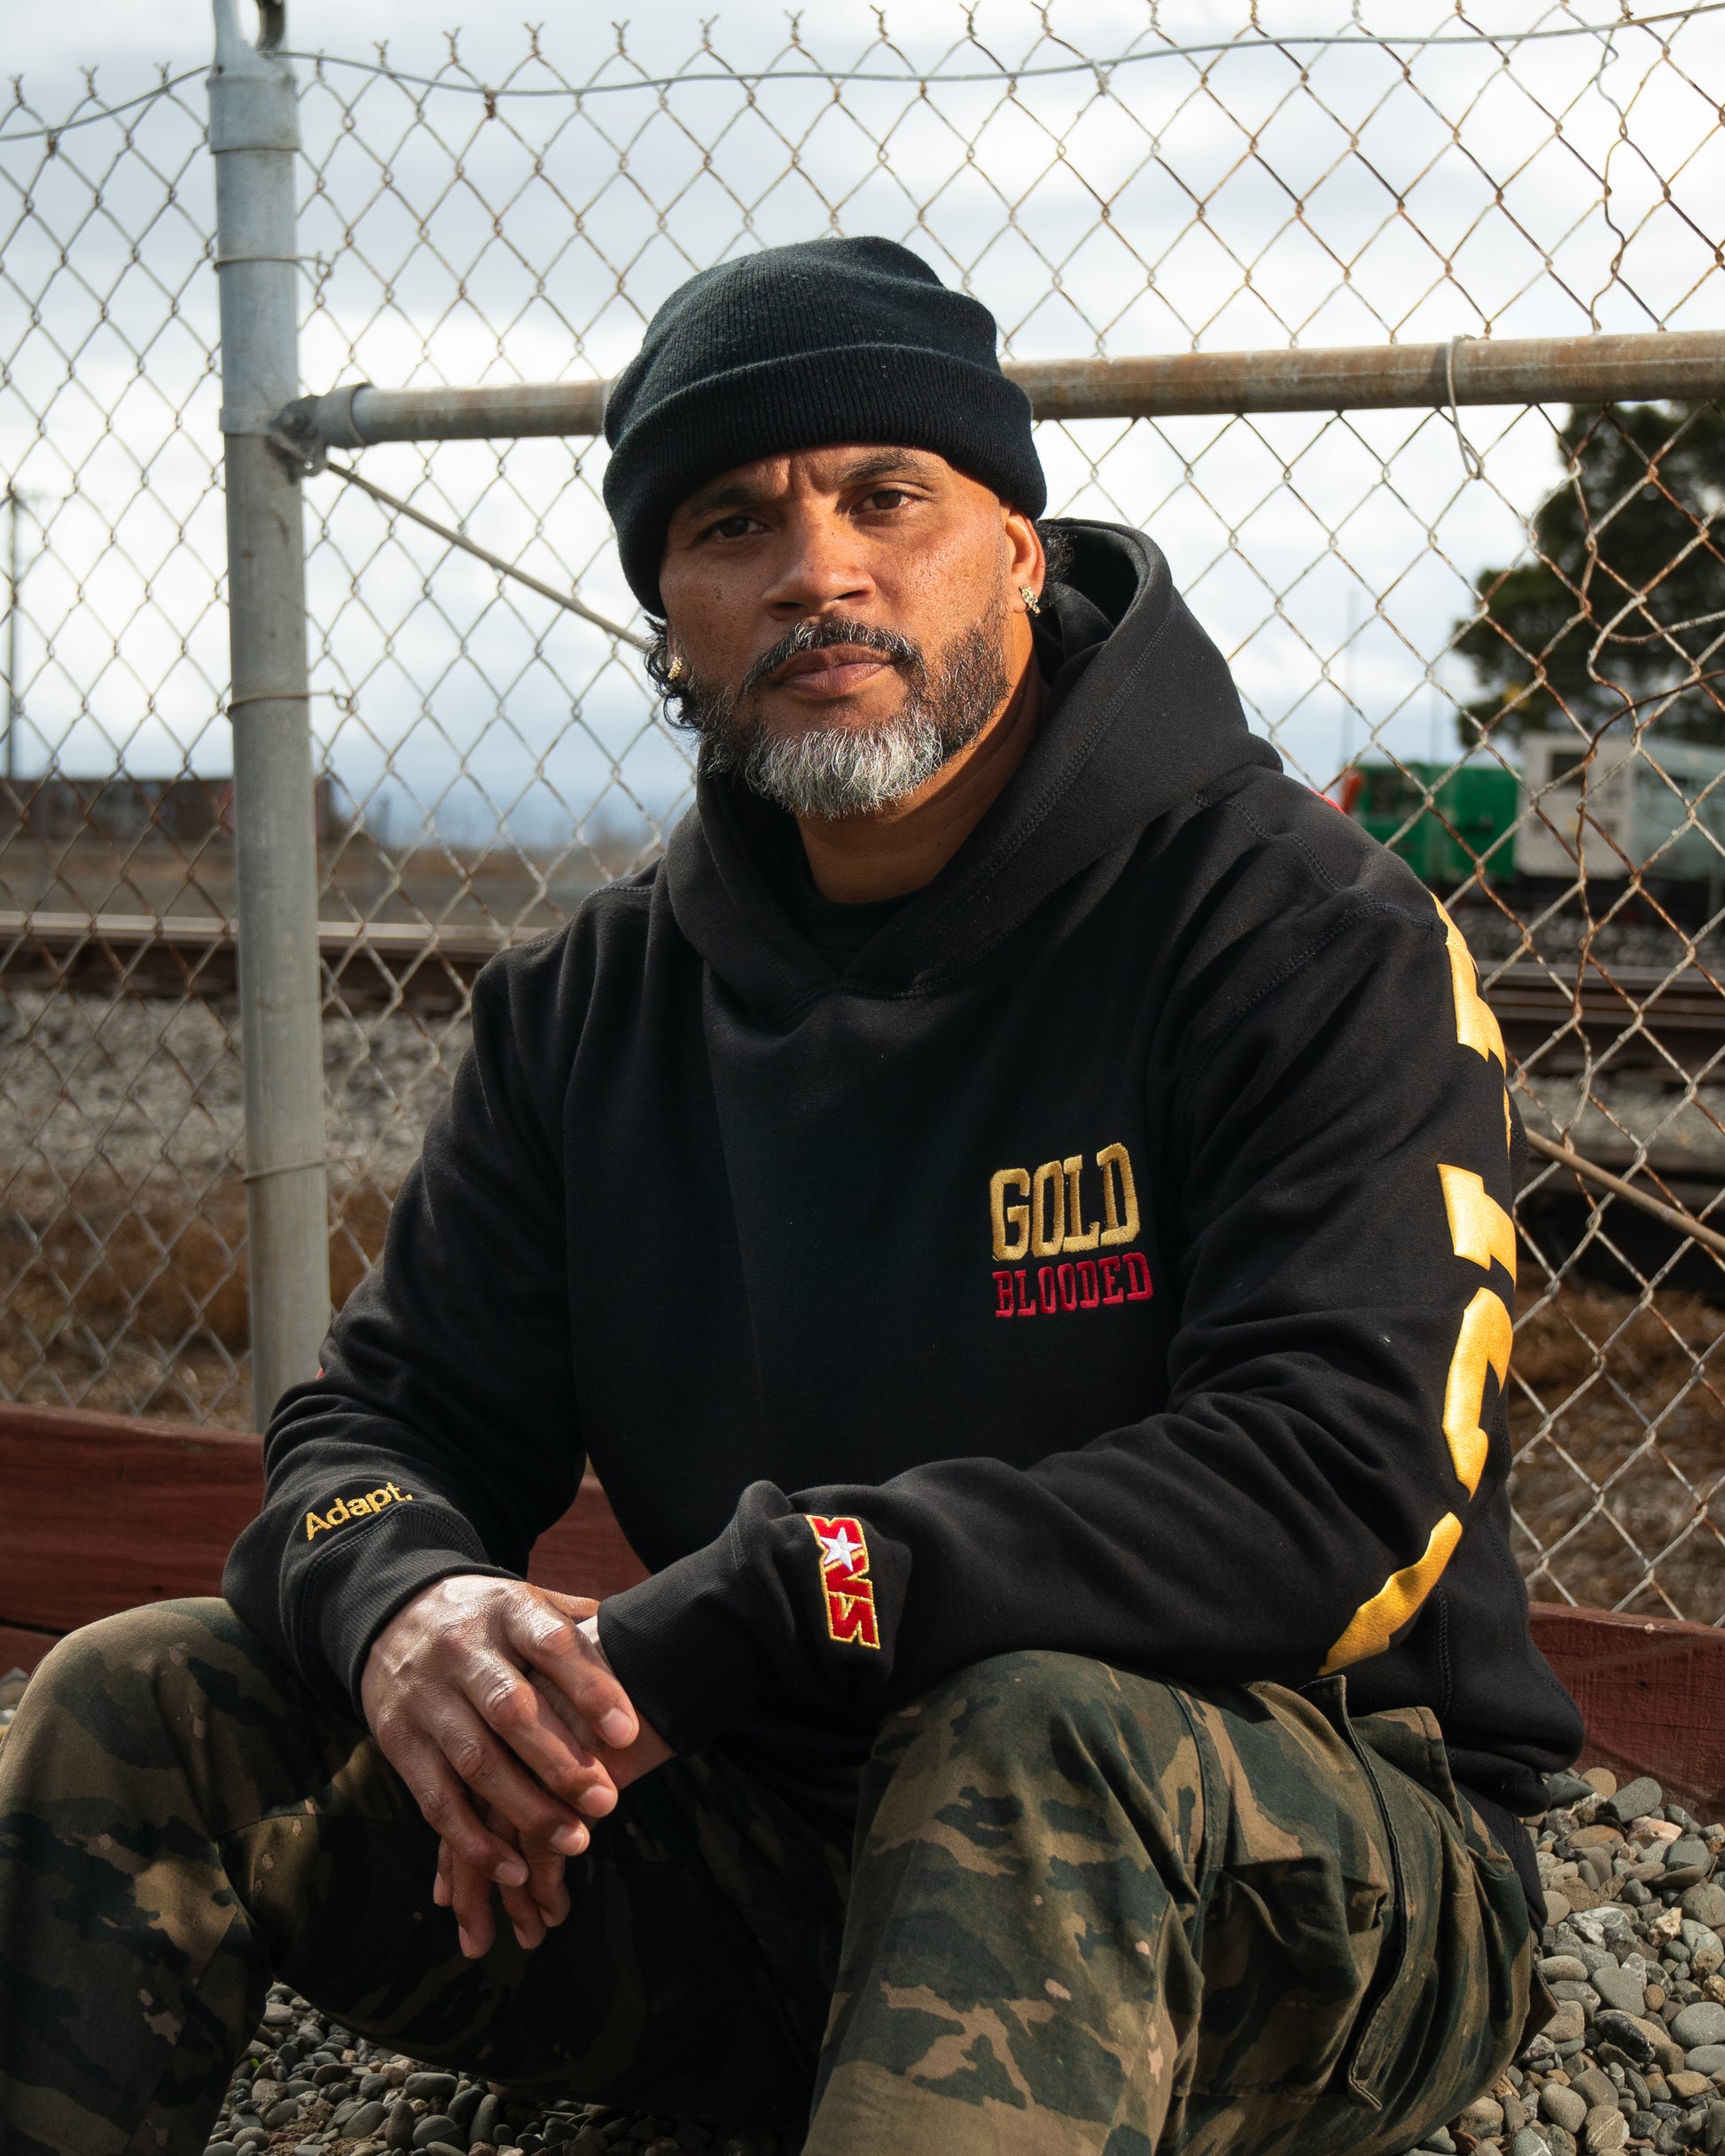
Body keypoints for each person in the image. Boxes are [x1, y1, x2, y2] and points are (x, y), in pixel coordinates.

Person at [0, 236, 1580, 2156]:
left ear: (1016, 544)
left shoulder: (1294, 931)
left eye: (884, 496)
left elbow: (1336, 1487)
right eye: (732, 523)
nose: (817, 569)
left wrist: (772, 1604)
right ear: (669, 616)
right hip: (767, 1864)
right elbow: (381, 1424)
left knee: (1027, 1730)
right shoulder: (591, 1004)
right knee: (142, 1698)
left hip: (1297, 1856)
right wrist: (405, 1607)